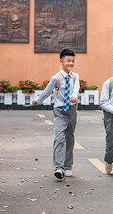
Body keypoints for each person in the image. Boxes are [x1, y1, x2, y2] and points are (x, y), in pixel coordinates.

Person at [33, 49, 80, 180]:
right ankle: (59, 168)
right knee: (59, 137)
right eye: (68, 61)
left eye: (73, 61)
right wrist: (38, 100)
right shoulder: (56, 78)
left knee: (70, 138)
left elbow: (76, 88)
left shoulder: (75, 76)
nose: (71, 63)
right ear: (61, 61)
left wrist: (74, 96)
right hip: (60, 110)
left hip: (72, 110)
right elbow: (47, 91)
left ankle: (68, 166)